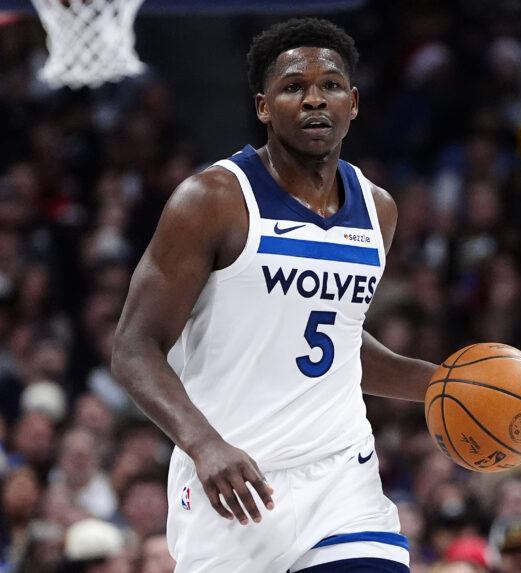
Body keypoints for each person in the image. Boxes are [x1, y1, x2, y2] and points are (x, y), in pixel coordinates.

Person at [111, 18, 438, 572]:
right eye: (293, 88)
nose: (314, 99)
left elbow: (337, 340)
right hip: (233, 482)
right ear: (264, 106)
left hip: (340, 476)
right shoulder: (212, 200)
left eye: (330, 85)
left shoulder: (377, 208)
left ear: (353, 102)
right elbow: (134, 347)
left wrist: (441, 385)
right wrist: (203, 444)